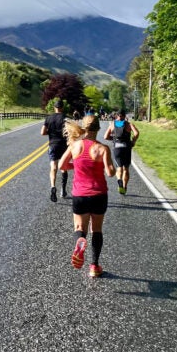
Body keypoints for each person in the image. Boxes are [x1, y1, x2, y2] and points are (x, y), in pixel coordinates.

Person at [58, 114, 116, 277]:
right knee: (96, 230)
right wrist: (110, 168)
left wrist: (77, 166)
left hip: (80, 195)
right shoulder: (103, 149)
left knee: (79, 228)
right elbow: (110, 173)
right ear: (98, 129)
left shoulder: (74, 146)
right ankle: (94, 266)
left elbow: (62, 165)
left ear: (84, 128)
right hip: (98, 194)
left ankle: (79, 241)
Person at [102, 109, 139, 195]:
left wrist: (114, 139)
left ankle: (119, 181)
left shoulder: (112, 124)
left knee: (119, 168)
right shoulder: (129, 124)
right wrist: (133, 141)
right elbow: (136, 133)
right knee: (126, 169)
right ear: (124, 116)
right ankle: (125, 187)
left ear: (116, 115)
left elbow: (105, 137)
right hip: (126, 147)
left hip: (117, 148)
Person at [41, 99, 69, 202]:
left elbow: (42, 132)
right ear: (62, 107)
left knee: (53, 167)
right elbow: (70, 132)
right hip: (64, 146)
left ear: (54, 107)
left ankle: (53, 186)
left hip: (53, 145)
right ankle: (63, 190)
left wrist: (51, 132)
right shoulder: (66, 119)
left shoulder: (48, 118)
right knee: (63, 167)